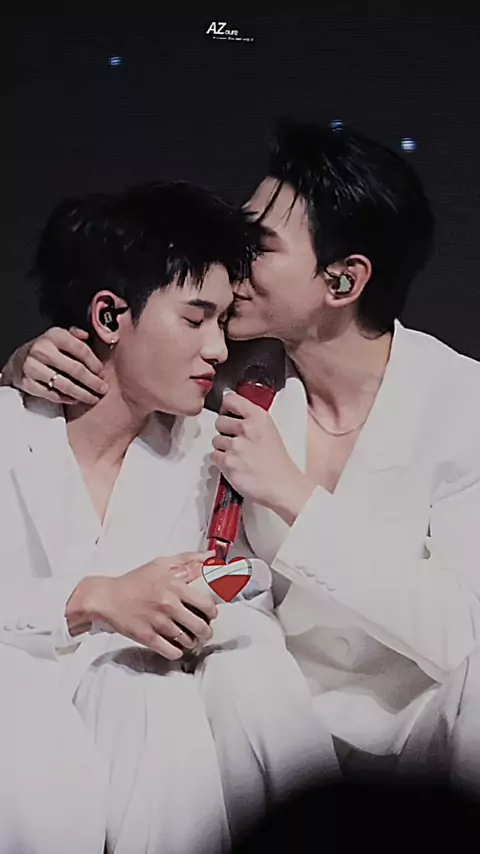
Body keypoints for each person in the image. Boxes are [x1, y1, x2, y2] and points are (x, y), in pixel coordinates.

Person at [5, 120, 480, 792]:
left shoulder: (461, 403)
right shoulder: (226, 376)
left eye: (260, 244)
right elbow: (134, 353)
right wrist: (26, 364)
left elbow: (461, 633)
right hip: (254, 709)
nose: (236, 258)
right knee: (223, 665)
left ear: (342, 281)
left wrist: (294, 496)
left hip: (417, 727)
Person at [0, 181, 339, 854]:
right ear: (108, 316)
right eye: (195, 320)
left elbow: (248, 593)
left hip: (146, 741)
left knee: (163, 689)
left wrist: (201, 603)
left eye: (222, 322)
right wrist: (89, 600)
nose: (219, 349)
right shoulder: (11, 432)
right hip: (24, 742)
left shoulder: (215, 455)